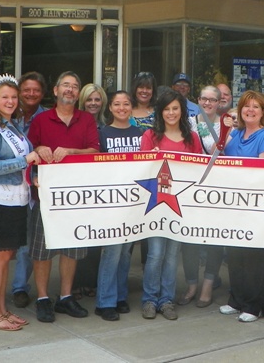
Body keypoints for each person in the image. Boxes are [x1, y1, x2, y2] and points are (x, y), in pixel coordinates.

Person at [28, 71, 100, 323]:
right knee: (42, 250)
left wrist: (70, 151)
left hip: (75, 195)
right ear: (56, 91)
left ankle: (66, 296)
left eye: (75, 86)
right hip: (46, 195)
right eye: (66, 86)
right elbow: (29, 150)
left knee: (71, 247)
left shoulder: (86, 120)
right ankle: (43, 298)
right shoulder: (41, 119)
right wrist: (39, 148)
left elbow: (94, 151)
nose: (70, 90)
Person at [0, 75, 39, 331]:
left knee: (5, 257)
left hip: (15, 198)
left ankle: (1, 309)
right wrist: (26, 161)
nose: (10, 101)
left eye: (14, 97)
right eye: (5, 97)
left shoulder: (12, 126)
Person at [140, 90, 203, 321]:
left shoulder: (192, 139)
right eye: (166, 109)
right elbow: (140, 170)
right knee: (155, 254)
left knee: (172, 254)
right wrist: (150, 159)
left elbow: (199, 171)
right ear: (160, 112)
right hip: (156, 205)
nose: (171, 113)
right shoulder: (150, 136)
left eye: (175, 108)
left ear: (182, 111)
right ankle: (149, 299)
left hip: (181, 205)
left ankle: (166, 300)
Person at [219, 90, 264, 322]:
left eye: (255, 107)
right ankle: (237, 299)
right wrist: (224, 132)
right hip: (233, 204)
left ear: (263, 112)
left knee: (254, 256)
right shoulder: (237, 132)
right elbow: (217, 153)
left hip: (254, 205)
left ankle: (254, 305)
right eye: (246, 106)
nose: (250, 110)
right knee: (235, 254)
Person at [94, 91, 143, 321]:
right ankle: (105, 301)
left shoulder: (141, 134)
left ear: (132, 107)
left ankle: (120, 296)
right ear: (110, 108)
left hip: (134, 202)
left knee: (125, 253)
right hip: (110, 202)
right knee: (111, 252)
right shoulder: (102, 133)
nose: (122, 108)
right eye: (117, 104)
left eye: (126, 104)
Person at [178, 86, 224, 308]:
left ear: (219, 102)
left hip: (217, 189)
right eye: (204, 99)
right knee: (189, 239)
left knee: (214, 238)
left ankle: (208, 284)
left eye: (212, 100)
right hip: (191, 189)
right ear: (198, 100)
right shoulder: (187, 123)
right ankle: (191, 284)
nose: (208, 103)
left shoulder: (228, 124)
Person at [9, 71, 47, 309]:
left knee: (26, 242)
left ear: (43, 93)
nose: (31, 94)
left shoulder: (46, 118)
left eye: (36, 90)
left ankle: (20, 288)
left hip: (33, 188)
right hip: (6, 185)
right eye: (27, 90)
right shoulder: (7, 115)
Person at [73, 83, 107, 300]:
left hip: (102, 187)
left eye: (97, 99)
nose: (93, 103)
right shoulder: (75, 122)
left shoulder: (108, 125)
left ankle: (93, 282)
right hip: (79, 185)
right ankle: (76, 283)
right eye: (89, 99)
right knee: (79, 236)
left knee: (96, 239)